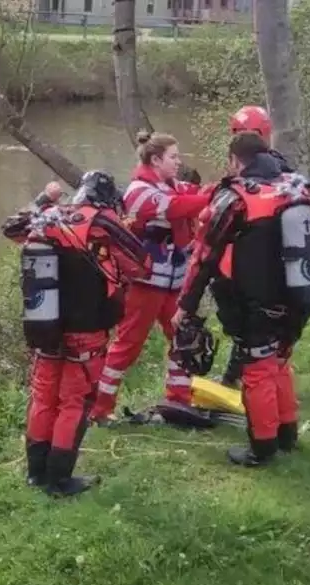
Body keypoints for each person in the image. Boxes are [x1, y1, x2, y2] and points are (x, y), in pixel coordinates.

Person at [173, 132, 310, 466]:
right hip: (300, 294)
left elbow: (203, 255)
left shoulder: (236, 197)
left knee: (257, 369)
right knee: (279, 362)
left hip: (257, 302)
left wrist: (186, 306)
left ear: (235, 160)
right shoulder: (300, 188)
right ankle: (287, 435)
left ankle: (262, 449)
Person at [2, 171, 151, 496]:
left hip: (44, 328)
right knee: (75, 402)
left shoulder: (49, 217)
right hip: (86, 330)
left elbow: (10, 228)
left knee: (43, 398)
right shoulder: (102, 222)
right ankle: (60, 479)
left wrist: (43, 199)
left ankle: (35, 474)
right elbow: (142, 264)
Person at [89, 132, 212, 424]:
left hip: (173, 281)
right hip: (146, 282)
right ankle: (100, 409)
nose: (179, 161)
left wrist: (222, 187)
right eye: (174, 157)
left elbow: (192, 194)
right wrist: (207, 195)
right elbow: (177, 207)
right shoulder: (138, 190)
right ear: (155, 160)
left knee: (182, 340)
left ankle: (178, 401)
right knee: (128, 346)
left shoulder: (172, 185)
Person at [219, 105, 294, 389]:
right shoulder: (284, 169)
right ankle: (269, 375)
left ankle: (237, 379)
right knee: (275, 332)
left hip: (255, 264)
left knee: (251, 330)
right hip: (282, 263)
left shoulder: (249, 175)